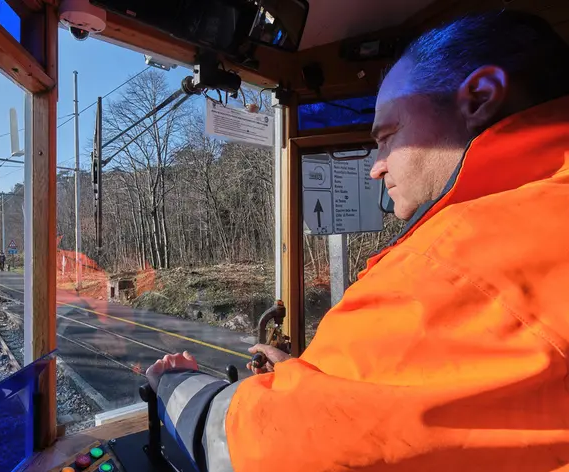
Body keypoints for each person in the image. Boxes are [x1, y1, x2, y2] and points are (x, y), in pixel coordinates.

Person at [146, 10, 569, 472]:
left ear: (480, 96)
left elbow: (258, 447)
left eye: (388, 136)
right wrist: (320, 378)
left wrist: (178, 384)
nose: (376, 166)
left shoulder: (451, 264)